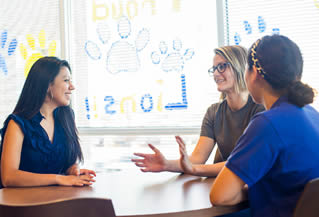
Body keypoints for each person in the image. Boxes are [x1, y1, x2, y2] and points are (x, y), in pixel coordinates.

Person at [210, 35, 319, 217]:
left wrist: (252, 187)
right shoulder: (311, 113)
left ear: (255, 74)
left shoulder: (266, 124)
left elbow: (220, 196)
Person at [132, 45, 264, 177]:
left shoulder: (260, 110)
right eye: (214, 69)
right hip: (221, 183)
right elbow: (197, 158)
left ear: (239, 67)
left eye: (222, 66)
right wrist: (166, 164)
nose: (216, 73)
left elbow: (243, 162)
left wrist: (194, 169)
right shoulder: (213, 112)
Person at [0, 56, 96, 188]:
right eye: (66, 80)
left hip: (57, 200)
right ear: (47, 86)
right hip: (23, 205)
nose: (72, 87)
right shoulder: (17, 123)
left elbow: (67, 162)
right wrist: (59, 179)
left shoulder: (67, 116)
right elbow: (8, 177)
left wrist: (72, 170)